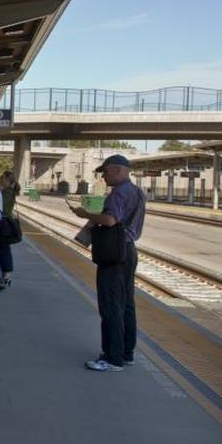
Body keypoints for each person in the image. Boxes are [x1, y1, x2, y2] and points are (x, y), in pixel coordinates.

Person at [71, 154, 146, 372]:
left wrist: (86, 214)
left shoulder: (118, 193)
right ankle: (126, 352)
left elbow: (111, 220)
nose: (103, 176)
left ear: (117, 170)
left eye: (106, 171)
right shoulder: (137, 192)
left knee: (111, 305)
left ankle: (113, 358)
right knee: (126, 304)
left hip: (114, 253)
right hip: (129, 251)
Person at [0, 171, 21, 287]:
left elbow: (1, 207)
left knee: (3, 249)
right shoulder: (9, 191)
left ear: (7, 180)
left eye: (2, 177)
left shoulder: (7, 192)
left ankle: (6, 275)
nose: (0, 179)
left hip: (4, 224)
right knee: (3, 248)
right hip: (5, 223)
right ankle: (5, 274)